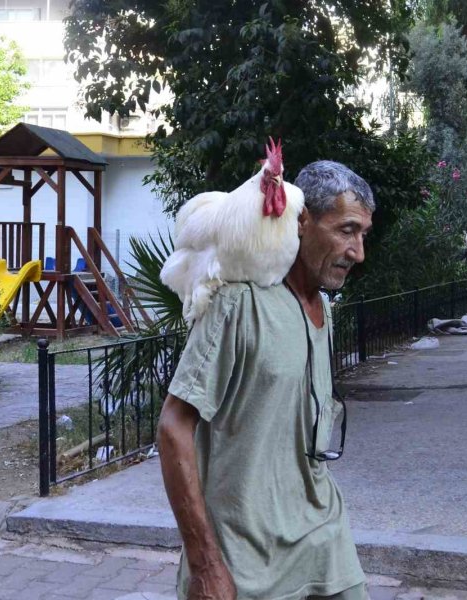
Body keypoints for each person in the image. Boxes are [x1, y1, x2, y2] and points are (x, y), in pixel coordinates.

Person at [157, 160, 375, 600]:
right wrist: (204, 565)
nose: (358, 252)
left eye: (363, 235)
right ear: (302, 222)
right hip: (245, 558)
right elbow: (173, 428)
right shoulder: (239, 305)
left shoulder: (324, 310)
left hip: (321, 532)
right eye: (346, 230)